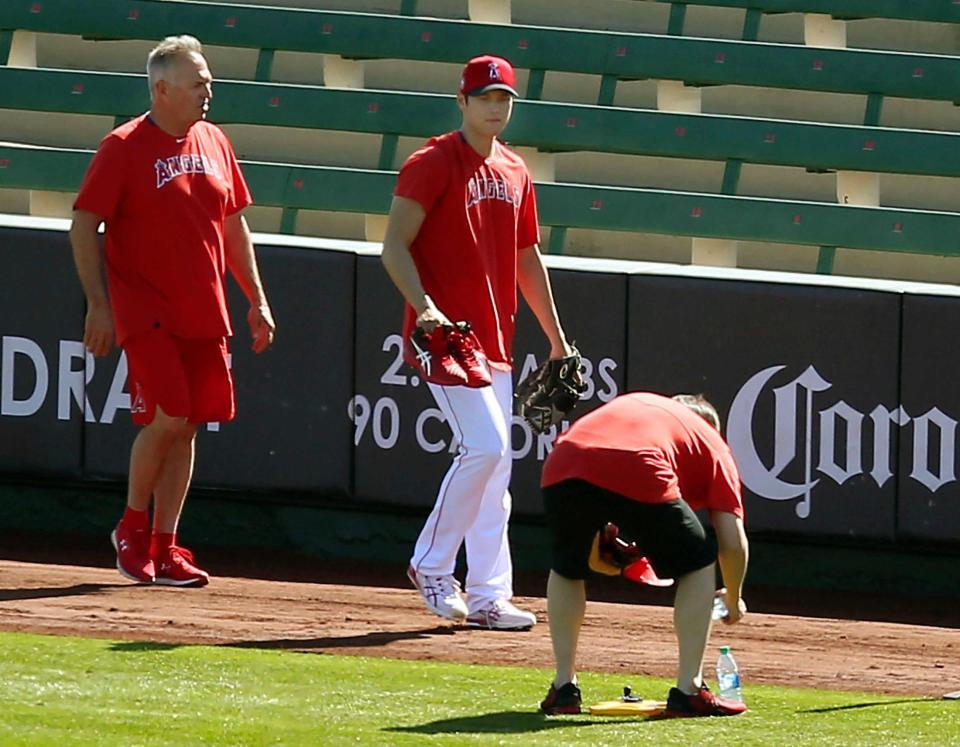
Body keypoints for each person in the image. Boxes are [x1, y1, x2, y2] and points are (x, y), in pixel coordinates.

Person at [69, 35, 275, 587]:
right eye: (198, 82)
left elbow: (234, 225)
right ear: (162, 89)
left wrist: (256, 297)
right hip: (147, 308)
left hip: (205, 308)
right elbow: (84, 223)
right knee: (167, 416)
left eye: (207, 80)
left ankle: (166, 544)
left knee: (188, 426)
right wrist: (98, 304)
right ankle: (131, 529)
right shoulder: (123, 146)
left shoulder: (214, 141)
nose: (209, 90)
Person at [380, 54, 574, 631]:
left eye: (504, 98)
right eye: (485, 96)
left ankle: (490, 594)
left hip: (494, 340)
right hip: (443, 338)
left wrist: (558, 338)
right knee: (486, 448)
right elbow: (393, 247)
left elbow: (525, 258)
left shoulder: (515, 170)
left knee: (497, 472)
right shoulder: (432, 162)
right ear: (461, 101)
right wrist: (427, 308)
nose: (495, 106)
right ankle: (431, 564)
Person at [538, 392, 750, 717]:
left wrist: (604, 560)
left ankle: (564, 688)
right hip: (638, 461)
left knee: (568, 568)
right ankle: (689, 689)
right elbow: (732, 544)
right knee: (699, 563)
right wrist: (733, 599)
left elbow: (594, 559)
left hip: (563, 459)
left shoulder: (646, 411)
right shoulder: (711, 441)